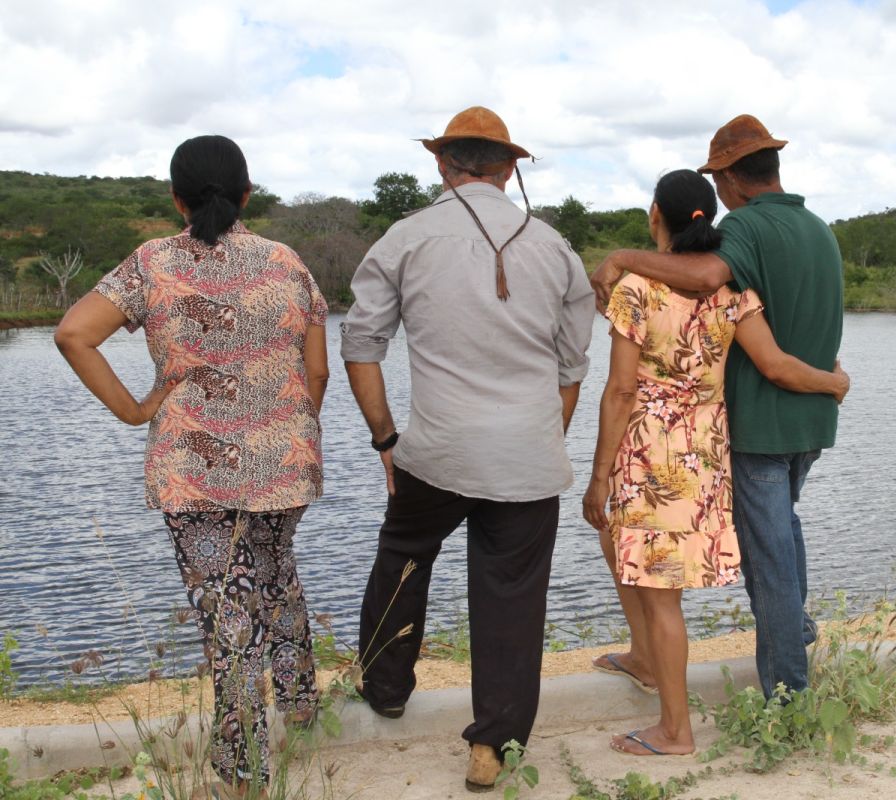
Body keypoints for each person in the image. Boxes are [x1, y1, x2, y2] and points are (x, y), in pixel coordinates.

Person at [54, 135, 328, 797]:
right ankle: (301, 705)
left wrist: (133, 410)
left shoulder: (153, 264)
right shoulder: (286, 261)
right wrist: (293, 424)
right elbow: (316, 367)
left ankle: (245, 767)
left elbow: (72, 333)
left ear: (176, 197)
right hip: (286, 463)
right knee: (274, 572)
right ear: (246, 194)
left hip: (193, 470)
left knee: (230, 611)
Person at [340, 106, 593, 791]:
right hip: (528, 456)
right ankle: (493, 746)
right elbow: (572, 368)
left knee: (404, 554)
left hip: (437, 450)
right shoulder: (556, 247)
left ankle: (387, 688)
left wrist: (386, 438)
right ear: (510, 167)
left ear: (442, 163)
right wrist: (542, 437)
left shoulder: (406, 237)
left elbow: (360, 345)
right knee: (511, 594)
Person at [582, 169, 847, 756]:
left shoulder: (634, 291)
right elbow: (776, 365)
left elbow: (621, 392)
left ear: (657, 217)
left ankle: (675, 731)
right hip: (706, 452)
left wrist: (598, 474)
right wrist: (832, 381)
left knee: (659, 592)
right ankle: (644, 656)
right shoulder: (735, 295)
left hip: (649, 449)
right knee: (624, 550)